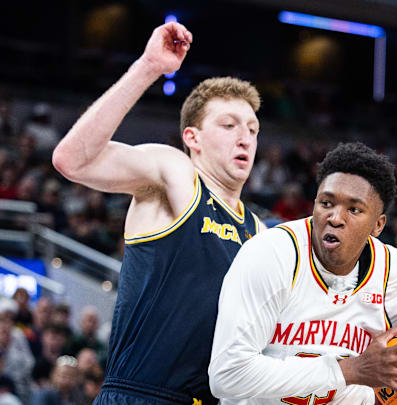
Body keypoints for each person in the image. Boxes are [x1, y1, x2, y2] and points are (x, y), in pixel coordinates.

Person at [52, 22, 261, 405]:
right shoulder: (176, 173)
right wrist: (148, 66)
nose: (244, 137)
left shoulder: (258, 230)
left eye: (252, 128)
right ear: (192, 138)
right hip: (141, 395)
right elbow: (71, 159)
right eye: (229, 125)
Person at [209, 143, 397, 404]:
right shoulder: (271, 254)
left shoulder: (388, 266)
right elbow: (227, 374)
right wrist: (349, 371)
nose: (335, 217)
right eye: (326, 203)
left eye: (354, 209)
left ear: (378, 225)